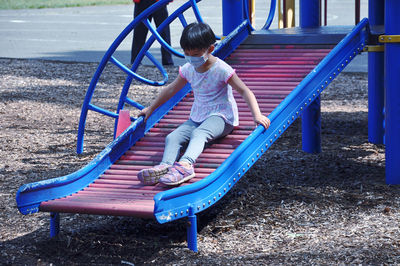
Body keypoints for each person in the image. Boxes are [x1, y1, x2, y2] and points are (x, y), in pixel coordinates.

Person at [137, 22, 270, 186]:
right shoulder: (189, 68)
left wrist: (256, 115)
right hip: (198, 116)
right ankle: (165, 166)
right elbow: (171, 89)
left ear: (210, 49)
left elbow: (244, 91)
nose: (191, 57)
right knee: (173, 137)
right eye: (187, 53)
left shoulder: (221, 69)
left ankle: (186, 165)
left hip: (221, 117)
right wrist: (151, 108)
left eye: (196, 54)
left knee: (199, 134)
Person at [131, 0, 174, 65]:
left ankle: (168, 62)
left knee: (164, 34)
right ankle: (135, 62)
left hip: (158, 2)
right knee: (139, 34)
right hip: (142, 2)